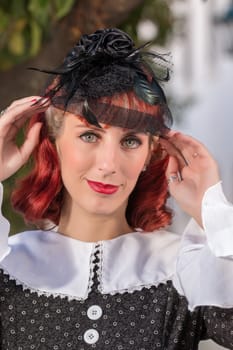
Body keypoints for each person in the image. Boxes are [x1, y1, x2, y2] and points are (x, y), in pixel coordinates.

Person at [0, 28, 232, 350]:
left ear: (152, 152)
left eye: (130, 141)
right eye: (90, 135)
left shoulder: (182, 268)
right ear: (52, 140)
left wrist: (214, 211)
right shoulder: (9, 266)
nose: (109, 164)